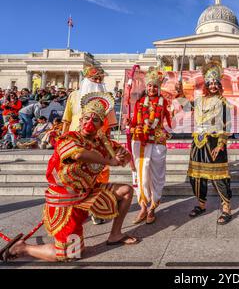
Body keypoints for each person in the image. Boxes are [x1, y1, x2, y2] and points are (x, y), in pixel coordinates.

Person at [0, 92, 139, 263]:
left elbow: (124, 156)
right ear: (80, 121)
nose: (89, 122)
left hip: (87, 192)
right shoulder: (68, 138)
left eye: (95, 120)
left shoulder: (101, 142)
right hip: (65, 200)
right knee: (71, 254)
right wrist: (108, 160)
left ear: (101, 125)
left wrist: (123, 155)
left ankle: (115, 234)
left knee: (125, 191)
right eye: (86, 118)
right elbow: (79, 154)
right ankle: (24, 248)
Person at [175, 61, 233, 225]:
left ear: (219, 85)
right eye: (210, 83)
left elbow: (227, 125)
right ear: (206, 85)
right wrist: (180, 93)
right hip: (198, 143)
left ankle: (226, 207)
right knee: (196, 177)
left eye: (216, 83)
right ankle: (201, 204)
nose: (213, 85)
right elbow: (186, 107)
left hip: (215, 142)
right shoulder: (199, 100)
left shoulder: (223, 102)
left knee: (218, 177)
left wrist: (221, 145)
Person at [62, 65, 118, 225]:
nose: (98, 81)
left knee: (98, 178)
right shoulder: (74, 96)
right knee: (74, 177)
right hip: (75, 144)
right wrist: (62, 141)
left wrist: (110, 147)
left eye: (101, 79)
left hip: (98, 144)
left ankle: (96, 210)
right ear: (86, 79)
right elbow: (66, 120)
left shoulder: (107, 99)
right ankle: (73, 210)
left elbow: (110, 125)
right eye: (95, 79)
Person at [129, 67, 172, 225]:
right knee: (141, 175)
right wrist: (133, 128)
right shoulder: (139, 102)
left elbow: (170, 120)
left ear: (159, 87)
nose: (152, 88)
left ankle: (153, 206)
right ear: (146, 87)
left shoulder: (164, 101)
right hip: (141, 141)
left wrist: (166, 131)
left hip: (158, 142)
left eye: (155, 86)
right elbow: (133, 123)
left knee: (157, 176)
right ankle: (142, 207)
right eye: (150, 86)